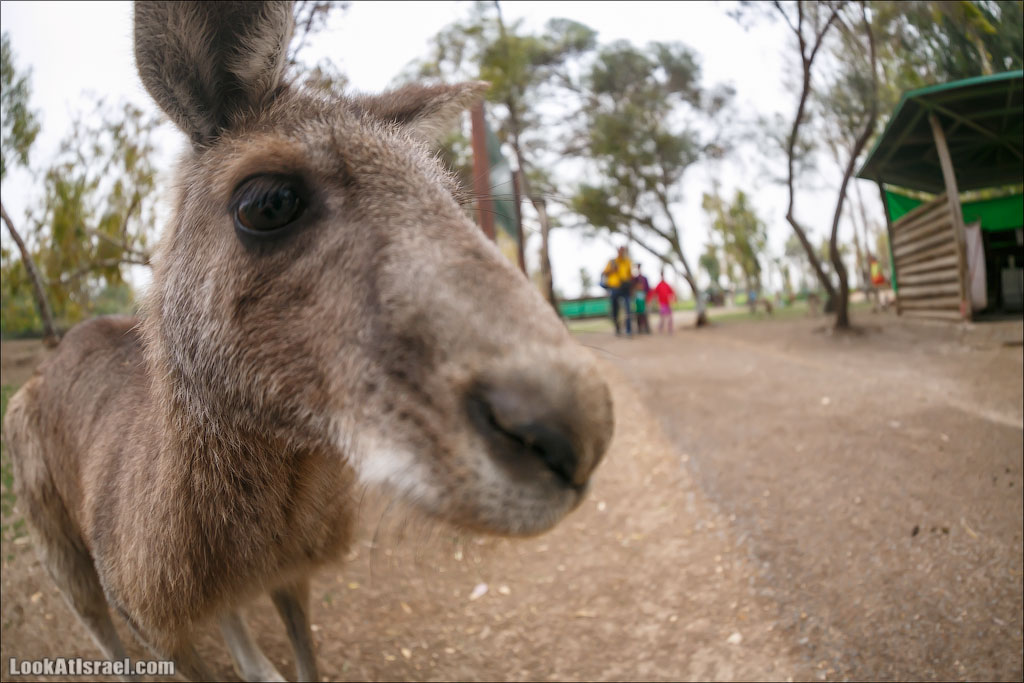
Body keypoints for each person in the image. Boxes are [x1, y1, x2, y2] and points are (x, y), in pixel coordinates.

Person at [602, 246, 633, 336]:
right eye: (621, 251)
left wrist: (630, 287)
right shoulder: (612, 262)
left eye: (624, 251)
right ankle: (617, 328)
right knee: (615, 310)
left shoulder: (627, 262)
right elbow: (604, 273)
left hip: (625, 288)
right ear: (618, 251)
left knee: (628, 308)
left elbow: (630, 276)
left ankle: (628, 330)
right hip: (614, 288)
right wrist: (612, 270)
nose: (622, 253)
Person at [648, 269, 677, 334]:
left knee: (670, 317)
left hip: (668, 303)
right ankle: (660, 329)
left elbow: (672, 292)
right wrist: (651, 300)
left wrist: (673, 300)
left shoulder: (667, 284)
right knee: (662, 317)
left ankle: (670, 329)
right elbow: (654, 293)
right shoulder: (659, 285)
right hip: (662, 303)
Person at [633, 264, 651, 334]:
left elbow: (648, 290)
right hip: (637, 303)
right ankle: (639, 328)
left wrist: (647, 299)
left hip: (644, 301)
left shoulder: (644, 279)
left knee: (645, 314)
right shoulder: (635, 279)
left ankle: (646, 328)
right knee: (638, 315)